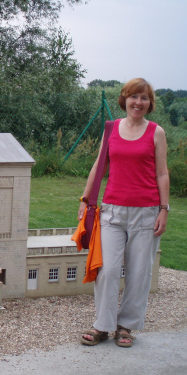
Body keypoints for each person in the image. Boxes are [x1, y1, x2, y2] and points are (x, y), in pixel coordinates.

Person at [79, 78, 169, 347]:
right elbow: (98, 166)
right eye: (133, 97)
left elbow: (162, 173)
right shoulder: (111, 129)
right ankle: (102, 327)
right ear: (124, 99)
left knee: (139, 272)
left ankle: (126, 327)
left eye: (144, 98)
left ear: (150, 103)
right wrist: (86, 200)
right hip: (112, 212)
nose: (138, 102)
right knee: (106, 269)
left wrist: (164, 209)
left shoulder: (156, 132)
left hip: (147, 212)